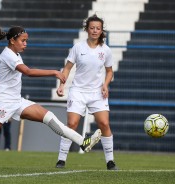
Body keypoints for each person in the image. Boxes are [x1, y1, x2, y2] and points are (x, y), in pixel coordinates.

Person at [0, 24, 102, 168]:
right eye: (23, 40)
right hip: (3, 101)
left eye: (26, 40)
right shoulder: (8, 54)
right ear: (12, 41)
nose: (25, 44)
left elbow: (4, 68)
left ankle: (83, 142)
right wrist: (54, 72)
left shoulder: (12, 54)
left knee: (49, 117)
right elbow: (27, 71)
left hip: (16, 100)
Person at [54, 14, 118, 170]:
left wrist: (105, 85)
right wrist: (62, 84)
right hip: (78, 91)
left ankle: (110, 161)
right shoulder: (78, 47)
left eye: (98, 28)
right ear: (87, 30)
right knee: (72, 124)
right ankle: (61, 160)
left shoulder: (106, 50)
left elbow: (110, 71)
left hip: (97, 93)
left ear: (102, 31)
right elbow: (68, 68)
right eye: (92, 28)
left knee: (104, 123)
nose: (95, 31)